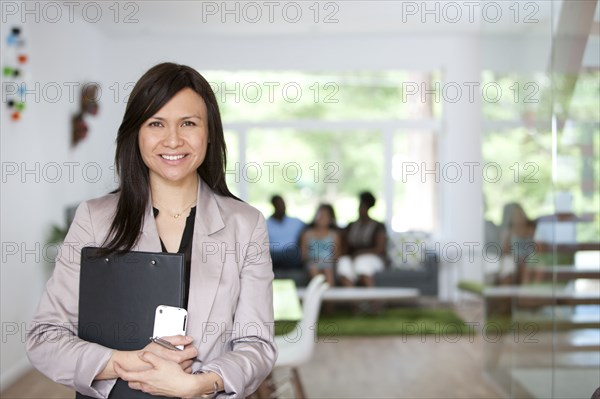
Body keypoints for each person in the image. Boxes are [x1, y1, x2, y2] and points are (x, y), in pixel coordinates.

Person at [26, 63, 276, 398]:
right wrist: (127, 362)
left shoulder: (245, 225)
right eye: (156, 123)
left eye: (188, 123)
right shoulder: (94, 219)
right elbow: (46, 336)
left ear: (209, 132)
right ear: (136, 133)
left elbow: (257, 345)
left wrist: (202, 383)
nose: (173, 140)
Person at [337, 191, 387, 288]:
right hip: (352, 258)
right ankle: (356, 301)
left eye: (363, 206)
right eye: (360, 205)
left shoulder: (378, 226)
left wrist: (359, 254)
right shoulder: (351, 226)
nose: (360, 208)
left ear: (369, 207)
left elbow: (379, 249)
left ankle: (374, 301)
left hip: (372, 258)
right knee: (343, 263)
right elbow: (344, 247)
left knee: (362, 265)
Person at [299, 204, 342, 287]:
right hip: (312, 261)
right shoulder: (307, 234)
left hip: (328, 262)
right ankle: (317, 294)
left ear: (331, 219)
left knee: (328, 270)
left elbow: (336, 254)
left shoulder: (334, 235)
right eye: (320, 215)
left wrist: (326, 260)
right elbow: (303, 254)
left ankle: (330, 297)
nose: (322, 218)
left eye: (325, 216)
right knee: (314, 268)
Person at [498, 202, 536, 284]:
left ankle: (522, 292)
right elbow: (504, 251)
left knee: (526, 266)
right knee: (509, 265)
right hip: (515, 260)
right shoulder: (508, 231)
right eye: (515, 215)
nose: (519, 217)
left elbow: (538, 247)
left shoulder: (532, 229)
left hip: (530, 259)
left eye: (520, 214)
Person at [266, 195, 305, 271]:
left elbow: (311, 227)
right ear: (273, 206)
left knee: (293, 255)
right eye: (278, 205)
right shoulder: (266, 223)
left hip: (291, 252)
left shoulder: (295, 221)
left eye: (282, 204)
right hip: (273, 253)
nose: (281, 207)